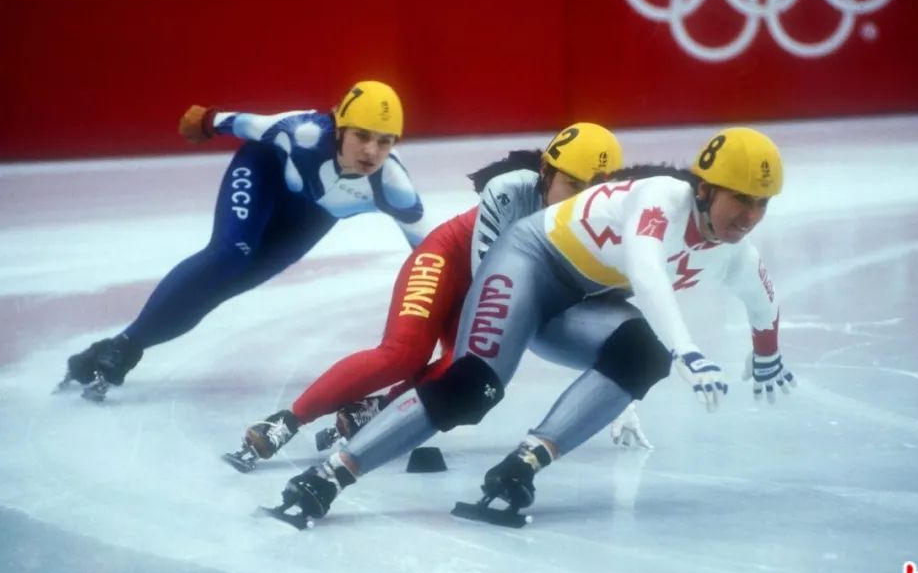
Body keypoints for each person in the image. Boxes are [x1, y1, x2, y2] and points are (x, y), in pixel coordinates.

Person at [265, 126, 795, 528]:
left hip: (575, 300)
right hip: (528, 261)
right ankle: (329, 475)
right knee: (472, 388)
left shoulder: (735, 256)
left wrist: (767, 356)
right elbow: (646, 269)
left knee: (642, 357)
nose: (748, 215)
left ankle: (519, 468)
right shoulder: (660, 199)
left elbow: (762, 304)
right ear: (702, 190)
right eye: (739, 197)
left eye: (760, 203)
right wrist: (688, 349)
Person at [229, 122, 652, 472]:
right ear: (545, 171)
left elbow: (603, 315)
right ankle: (286, 420)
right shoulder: (508, 190)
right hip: (451, 262)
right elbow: (497, 283)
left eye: (592, 190)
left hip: (499, 289)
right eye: (571, 184)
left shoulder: (609, 224)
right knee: (403, 354)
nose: (580, 201)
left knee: (467, 381)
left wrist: (618, 395)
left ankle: (376, 411)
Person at [59, 80, 429, 401]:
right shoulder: (305, 133)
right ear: (338, 128)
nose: (370, 151)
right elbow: (252, 124)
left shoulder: (394, 188)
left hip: (310, 218)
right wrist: (207, 120)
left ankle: (121, 347)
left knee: (227, 285)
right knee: (230, 255)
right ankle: (123, 347)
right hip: (263, 169)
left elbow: (432, 254)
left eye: (384, 141)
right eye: (361, 136)